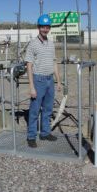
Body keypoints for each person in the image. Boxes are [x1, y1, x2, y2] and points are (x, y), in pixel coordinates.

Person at [25, 14, 61, 148]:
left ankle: (45, 133)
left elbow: (54, 62)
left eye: (47, 27)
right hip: (38, 80)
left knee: (48, 109)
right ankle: (31, 136)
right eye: (43, 27)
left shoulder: (51, 44)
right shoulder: (33, 44)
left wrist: (58, 81)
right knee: (34, 110)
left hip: (49, 80)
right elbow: (29, 65)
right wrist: (32, 87)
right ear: (38, 27)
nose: (45, 29)